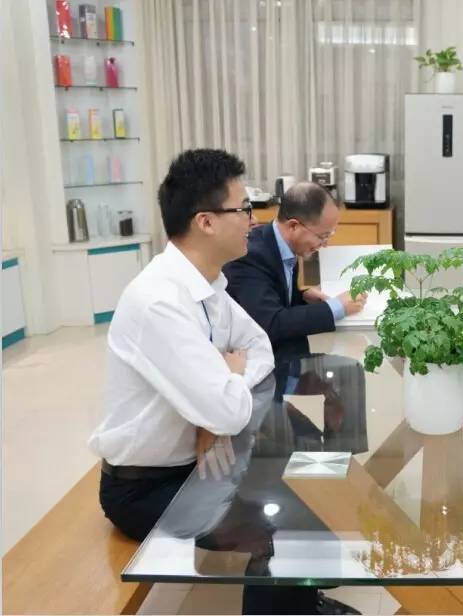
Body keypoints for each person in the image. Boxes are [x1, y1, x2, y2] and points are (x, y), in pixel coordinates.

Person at [88, 149, 357, 615]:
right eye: (244, 209)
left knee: (309, 478)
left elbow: (260, 348)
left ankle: (303, 603)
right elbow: (229, 411)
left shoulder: (207, 285)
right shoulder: (159, 301)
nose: (254, 221)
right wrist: (223, 385)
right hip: (148, 488)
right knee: (276, 523)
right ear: (206, 221)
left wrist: (228, 379)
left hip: (203, 461)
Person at [224, 182, 366, 359]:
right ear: (293, 226)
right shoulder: (251, 256)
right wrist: (336, 307)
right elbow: (271, 323)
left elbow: (274, 296)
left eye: (329, 235)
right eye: (322, 236)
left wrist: (302, 297)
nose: (325, 244)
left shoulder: (285, 245)